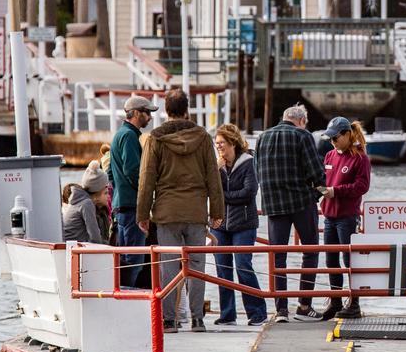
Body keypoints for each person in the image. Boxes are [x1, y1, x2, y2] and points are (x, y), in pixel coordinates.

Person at [137, 89, 225, 333]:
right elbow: (213, 178)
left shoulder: (155, 138)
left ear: (166, 111)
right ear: (188, 110)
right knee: (197, 267)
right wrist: (217, 212)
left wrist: (142, 215)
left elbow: (147, 180)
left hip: (166, 213)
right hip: (196, 212)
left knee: (169, 268)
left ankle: (169, 320)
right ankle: (197, 319)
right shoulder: (203, 138)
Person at [256, 103, 325, 322]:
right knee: (310, 251)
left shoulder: (262, 137)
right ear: (302, 121)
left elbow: (258, 172)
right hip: (301, 203)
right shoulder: (302, 136)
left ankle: (281, 310)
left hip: (274, 205)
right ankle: (304, 305)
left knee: (278, 257)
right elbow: (317, 174)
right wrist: (316, 195)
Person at [210, 124, 268, 327]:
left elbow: (249, 192)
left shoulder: (248, 162)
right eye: (216, 144)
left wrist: (223, 197)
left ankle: (257, 311)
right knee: (222, 269)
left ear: (233, 142)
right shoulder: (215, 166)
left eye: (222, 144)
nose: (219, 148)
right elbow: (207, 190)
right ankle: (227, 314)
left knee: (243, 265)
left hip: (244, 223)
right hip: (219, 223)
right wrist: (213, 172)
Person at [319, 117, 371, 320]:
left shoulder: (360, 158)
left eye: (335, 137)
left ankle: (355, 302)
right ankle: (336, 300)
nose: (332, 141)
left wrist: (336, 191)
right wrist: (320, 190)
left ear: (348, 134)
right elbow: (324, 180)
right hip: (329, 215)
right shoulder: (330, 156)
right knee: (331, 260)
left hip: (347, 216)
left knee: (350, 260)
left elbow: (362, 186)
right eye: (330, 138)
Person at [108, 95, 158, 288]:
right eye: (147, 113)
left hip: (122, 205)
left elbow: (110, 173)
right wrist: (147, 194)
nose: (150, 117)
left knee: (126, 258)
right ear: (136, 113)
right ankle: (127, 299)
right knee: (134, 261)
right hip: (131, 207)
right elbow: (133, 170)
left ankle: (122, 297)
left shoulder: (119, 135)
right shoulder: (129, 136)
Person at [62, 160, 110, 244]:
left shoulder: (80, 201)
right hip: (71, 250)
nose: (108, 196)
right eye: (105, 193)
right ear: (96, 195)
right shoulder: (86, 204)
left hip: (70, 247)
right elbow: (95, 239)